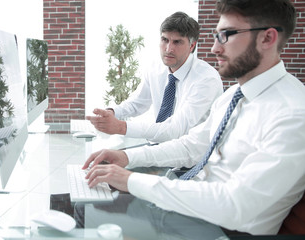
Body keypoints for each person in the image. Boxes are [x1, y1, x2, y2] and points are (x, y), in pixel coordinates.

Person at [82, 0, 305, 235]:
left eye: (227, 35)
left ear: (268, 39)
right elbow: (192, 146)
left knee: (90, 226)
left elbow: (234, 205)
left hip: (225, 230)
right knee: (85, 205)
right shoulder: (235, 95)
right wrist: (126, 157)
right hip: (192, 204)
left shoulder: (293, 114)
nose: (214, 49)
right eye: (217, 36)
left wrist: (130, 180)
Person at [87, 11, 223, 143]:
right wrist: (112, 112)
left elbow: (176, 130)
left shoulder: (206, 79)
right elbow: (138, 102)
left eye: (177, 42)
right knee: (103, 161)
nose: (169, 49)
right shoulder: (155, 69)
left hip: (193, 159)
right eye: (165, 40)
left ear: (192, 45)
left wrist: (121, 127)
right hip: (159, 149)